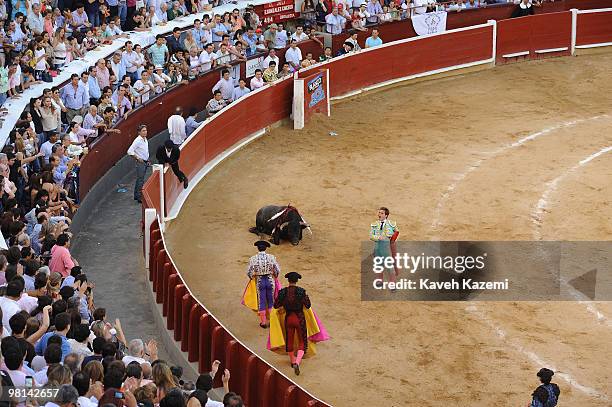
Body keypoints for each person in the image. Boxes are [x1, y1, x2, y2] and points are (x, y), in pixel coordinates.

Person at [269, 272, 329, 376]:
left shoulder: (283, 292)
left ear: (288, 281)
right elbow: (308, 304)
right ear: (297, 281)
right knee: (302, 341)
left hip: (288, 319)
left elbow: (276, 305)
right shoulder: (301, 292)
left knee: (289, 339)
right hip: (299, 318)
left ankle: (292, 361)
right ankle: (297, 361)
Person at [241, 241, 281, 329]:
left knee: (261, 301)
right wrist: (275, 276)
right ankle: (271, 321)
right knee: (271, 301)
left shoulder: (253, 259)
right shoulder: (272, 257)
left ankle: (263, 322)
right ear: (266, 248)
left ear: (258, 248)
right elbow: (277, 270)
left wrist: (252, 277)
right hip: (270, 281)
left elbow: (249, 272)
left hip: (260, 281)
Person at [369, 207, 399, 283]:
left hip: (388, 245)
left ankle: (393, 283)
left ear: (386, 215)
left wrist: (392, 241)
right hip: (378, 245)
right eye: (379, 213)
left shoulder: (391, 223)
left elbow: (397, 231)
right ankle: (380, 281)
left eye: (382, 213)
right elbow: (371, 236)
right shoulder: (374, 224)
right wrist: (378, 237)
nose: (379, 214)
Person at [126, 124, 150, 203]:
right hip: (140, 162)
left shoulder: (144, 139)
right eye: (143, 131)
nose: (145, 132)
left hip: (145, 161)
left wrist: (148, 159)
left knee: (140, 179)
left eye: (145, 130)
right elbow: (129, 151)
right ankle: (139, 196)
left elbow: (145, 150)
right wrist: (137, 158)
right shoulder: (137, 140)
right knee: (140, 180)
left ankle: (137, 195)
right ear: (139, 132)